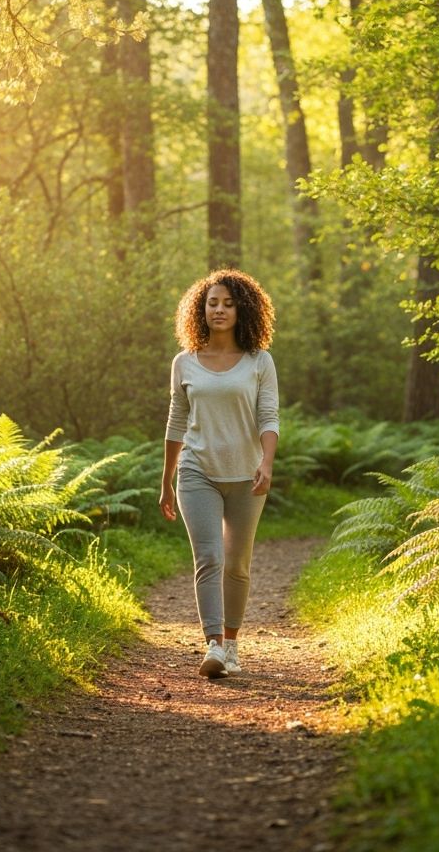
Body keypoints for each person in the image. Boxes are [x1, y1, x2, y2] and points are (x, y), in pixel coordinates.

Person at [159, 269, 280, 678]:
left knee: (237, 564)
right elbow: (176, 421)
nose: (219, 309)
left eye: (228, 303)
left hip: (247, 475)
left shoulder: (259, 361)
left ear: (243, 309)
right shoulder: (185, 362)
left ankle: (231, 644)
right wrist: (166, 482)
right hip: (198, 472)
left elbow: (268, 415)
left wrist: (266, 462)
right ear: (200, 309)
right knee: (208, 557)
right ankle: (212, 645)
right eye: (212, 302)